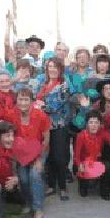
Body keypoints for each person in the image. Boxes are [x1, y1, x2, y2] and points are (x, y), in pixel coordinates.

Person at [1, 87, 51, 218]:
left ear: (32, 101)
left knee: (35, 175)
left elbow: (46, 138)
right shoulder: (11, 114)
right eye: (20, 99)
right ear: (16, 101)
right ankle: (29, 203)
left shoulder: (40, 115)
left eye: (26, 99)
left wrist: (40, 159)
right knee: (23, 178)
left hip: (39, 151)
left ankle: (38, 207)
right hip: (20, 154)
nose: (23, 103)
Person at [38, 57, 73, 201]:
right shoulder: (43, 83)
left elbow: (56, 105)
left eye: (55, 67)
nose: (52, 69)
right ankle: (51, 186)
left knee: (60, 157)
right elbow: (35, 98)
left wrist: (40, 106)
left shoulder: (64, 85)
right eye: (49, 66)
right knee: (49, 157)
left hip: (59, 126)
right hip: (44, 126)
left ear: (60, 69)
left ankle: (63, 187)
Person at [74, 111, 110, 200]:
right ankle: (82, 185)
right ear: (87, 124)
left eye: (96, 122)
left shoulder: (103, 133)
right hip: (84, 161)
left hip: (97, 160)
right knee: (84, 191)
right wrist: (79, 165)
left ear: (100, 124)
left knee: (109, 167)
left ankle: (104, 190)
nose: (93, 125)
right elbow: (76, 155)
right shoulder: (81, 135)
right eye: (91, 122)